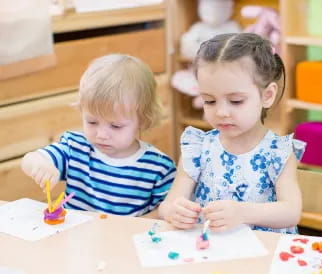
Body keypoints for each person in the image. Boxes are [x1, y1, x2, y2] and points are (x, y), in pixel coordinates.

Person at [159, 33, 305, 233]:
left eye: (236, 101)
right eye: (209, 101)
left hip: (262, 255)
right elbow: (168, 205)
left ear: (267, 96)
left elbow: (290, 212)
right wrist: (174, 211)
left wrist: (243, 212)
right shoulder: (197, 147)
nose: (221, 112)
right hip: (209, 251)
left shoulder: (278, 153)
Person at [21, 54, 176, 217]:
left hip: (122, 241)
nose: (101, 135)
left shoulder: (158, 167)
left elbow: (165, 211)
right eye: (92, 122)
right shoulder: (75, 148)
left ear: (143, 121)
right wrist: (41, 165)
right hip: (76, 238)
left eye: (115, 126)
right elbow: (30, 159)